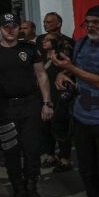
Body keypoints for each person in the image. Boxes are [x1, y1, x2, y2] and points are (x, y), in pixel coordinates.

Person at [0, 13, 53, 197]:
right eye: (6, 26)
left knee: (32, 149)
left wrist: (47, 102)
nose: (10, 29)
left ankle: (32, 189)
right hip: (4, 108)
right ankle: (18, 191)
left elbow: (42, 75)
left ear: (19, 28)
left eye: (14, 25)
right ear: (0, 29)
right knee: (11, 151)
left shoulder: (29, 49)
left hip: (30, 105)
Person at [53, 4, 99, 197]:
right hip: (82, 117)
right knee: (87, 170)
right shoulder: (82, 43)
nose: (90, 26)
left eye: (96, 22)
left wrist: (70, 68)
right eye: (87, 22)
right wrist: (63, 75)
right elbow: (72, 69)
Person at [39, 33, 73, 173]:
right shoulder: (41, 57)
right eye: (43, 40)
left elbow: (71, 70)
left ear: (55, 42)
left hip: (59, 97)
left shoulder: (61, 56)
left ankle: (65, 159)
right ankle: (51, 156)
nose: (44, 42)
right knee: (46, 128)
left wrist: (63, 72)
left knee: (60, 127)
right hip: (45, 97)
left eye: (48, 40)